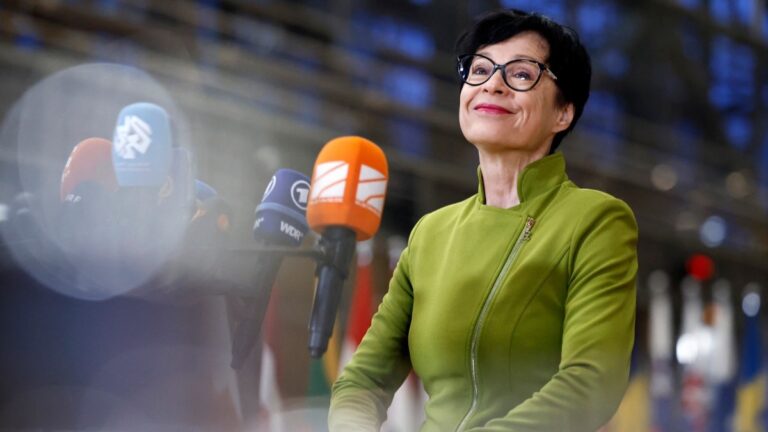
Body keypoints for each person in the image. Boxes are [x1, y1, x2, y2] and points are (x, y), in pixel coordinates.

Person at [329, 9, 638, 432]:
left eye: (522, 74)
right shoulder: (431, 233)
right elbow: (362, 381)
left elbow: (591, 383)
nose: (492, 83)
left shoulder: (597, 220)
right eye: (479, 69)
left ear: (563, 112)